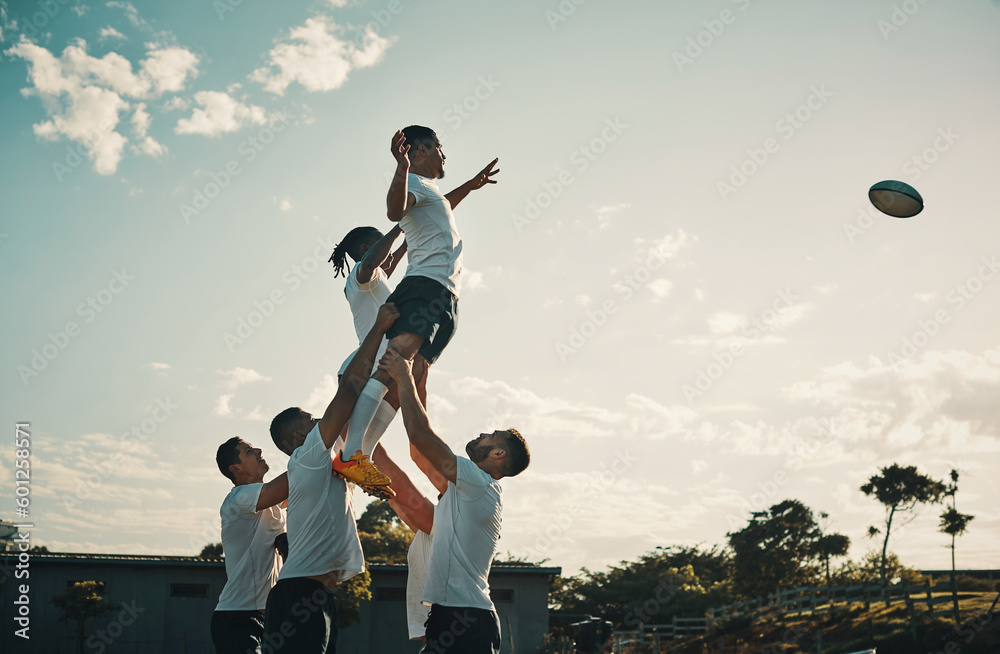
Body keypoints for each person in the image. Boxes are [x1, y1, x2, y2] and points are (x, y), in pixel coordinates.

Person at [333, 125, 500, 488]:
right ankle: (350, 456)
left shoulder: (429, 191)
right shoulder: (410, 181)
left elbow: (440, 209)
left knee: (408, 374)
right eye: (439, 147)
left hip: (445, 294)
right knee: (392, 367)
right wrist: (401, 165)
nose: (444, 154)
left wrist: (470, 187)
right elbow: (394, 211)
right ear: (421, 151)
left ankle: (359, 455)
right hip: (425, 286)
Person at [263, 303, 399, 653]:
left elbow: (370, 407)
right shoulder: (308, 458)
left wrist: (401, 372)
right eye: (311, 420)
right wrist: (378, 328)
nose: (319, 421)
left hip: (314, 595)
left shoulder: (331, 460)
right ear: (299, 437)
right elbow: (349, 391)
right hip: (299, 595)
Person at [379, 348, 530, 654]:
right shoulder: (468, 490)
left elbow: (421, 436)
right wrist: (419, 388)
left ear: (498, 454)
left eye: (492, 435)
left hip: (468, 619)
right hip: (452, 616)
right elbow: (419, 453)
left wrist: (404, 377)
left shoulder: (479, 482)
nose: (483, 434)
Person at [327, 225, 409, 496]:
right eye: (381, 244)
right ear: (366, 249)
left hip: (368, 360)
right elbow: (374, 262)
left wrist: (407, 240)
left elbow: (388, 263)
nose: (388, 251)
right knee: (335, 442)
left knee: (398, 392)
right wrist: (398, 228)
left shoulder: (375, 277)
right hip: (369, 363)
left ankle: (361, 459)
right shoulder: (361, 274)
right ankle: (351, 458)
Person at [370, 362, 448, 642]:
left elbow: (405, 493)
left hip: (452, 630)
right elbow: (420, 454)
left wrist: (358, 434)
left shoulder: (449, 523)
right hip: (439, 633)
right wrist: (418, 391)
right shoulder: (435, 527)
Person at [211, 438, 288, 654]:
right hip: (238, 618)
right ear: (236, 469)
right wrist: (313, 450)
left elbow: (304, 485)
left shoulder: (270, 502)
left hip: (269, 618)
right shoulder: (239, 498)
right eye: (248, 451)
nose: (259, 450)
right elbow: (297, 477)